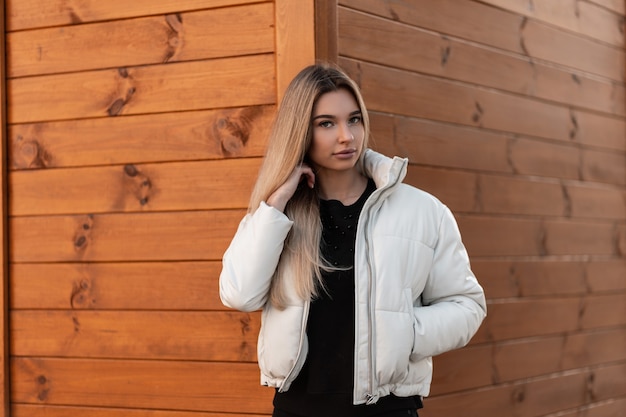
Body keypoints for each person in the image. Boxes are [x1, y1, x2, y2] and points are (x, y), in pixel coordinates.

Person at [219, 63, 487, 417]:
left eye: (354, 120)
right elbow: (240, 293)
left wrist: (402, 332)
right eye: (326, 123)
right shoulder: (278, 216)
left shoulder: (423, 212)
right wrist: (276, 202)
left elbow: (467, 306)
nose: (346, 136)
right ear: (301, 131)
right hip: (299, 409)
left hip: (387, 409)